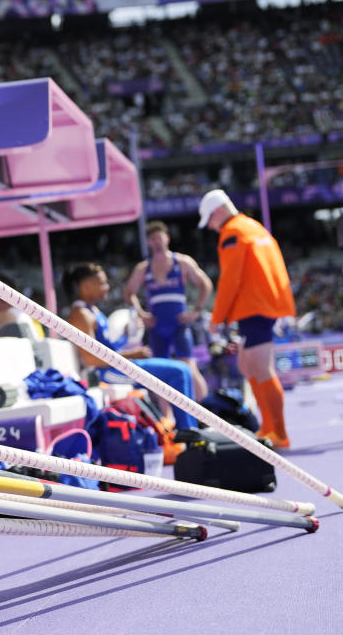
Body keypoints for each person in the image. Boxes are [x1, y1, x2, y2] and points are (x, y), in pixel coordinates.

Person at [199, 189, 296, 448]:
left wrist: (217, 318)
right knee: (247, 366)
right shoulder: (253, 227)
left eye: (209, 219)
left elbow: (231, 278)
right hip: (262, 306)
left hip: (254, 308)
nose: (210, 226)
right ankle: (268, 427)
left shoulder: (232, 232)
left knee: (261, 368)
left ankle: (279, 432)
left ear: (218, 211)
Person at [63, 263, 197, 429]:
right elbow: (91, 359)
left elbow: (108, 349)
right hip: (105, 374)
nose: (107, 287)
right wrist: (132, 354)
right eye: (102, 282)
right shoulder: (80, 315)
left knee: (183, 370)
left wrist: (125, 335)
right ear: (86, 286)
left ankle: (191, 430)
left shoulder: (93, 311)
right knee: (178, 372)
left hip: (116, 368)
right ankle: (189, 434)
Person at [121, 221, 213, 400]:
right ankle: (166, 417)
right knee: (160, 374)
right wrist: (141, 313)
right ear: (148, 242)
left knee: (189, 368)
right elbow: (128, 293)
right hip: (157, 327)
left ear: (167, 238)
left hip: (179, 324)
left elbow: (205, 284)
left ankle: (205, 408)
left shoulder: (182, 262)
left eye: (159, 237)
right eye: (152, 239)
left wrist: (196, 310)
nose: (156, 242)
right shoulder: (143, 268)